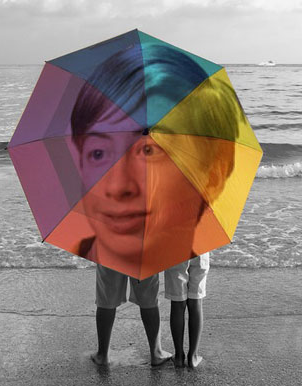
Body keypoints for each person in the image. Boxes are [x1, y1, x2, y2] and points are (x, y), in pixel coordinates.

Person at [69, 42, 242, 367]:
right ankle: (157, 351)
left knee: (109, 299)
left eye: (149, 153)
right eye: (97, 152)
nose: (120, 186)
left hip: (127, 241)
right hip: (145, 241)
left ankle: (105, 353)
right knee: (147, 298)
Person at [164, 253, 209, 368]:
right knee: (196, 301)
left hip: (175, 251)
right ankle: (193, 357)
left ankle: (179, 356)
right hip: (200, 248)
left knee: (177, 303)